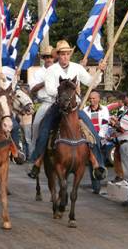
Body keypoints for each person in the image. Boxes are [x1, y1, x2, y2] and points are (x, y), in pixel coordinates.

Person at [28, 40, 107, 180]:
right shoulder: (51, 70)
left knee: (92, 131)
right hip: (57, 106)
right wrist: (64, 93)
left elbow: (91, 82)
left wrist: (100, 72)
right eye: (62, 54)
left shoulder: (77, 68)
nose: (64, 56)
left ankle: (97, 165)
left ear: (70, 55)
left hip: (74, 108)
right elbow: (50, 89)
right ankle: (37, 161)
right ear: (58, 55)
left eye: (67, 54)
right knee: (44, 130)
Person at [29, 45, 55, 156]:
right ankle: (34, 150)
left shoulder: (59, 70)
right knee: (36, 124)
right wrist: (45, 81)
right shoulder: (38, 72)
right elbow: (33, 89)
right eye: (46, 57)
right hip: (46, 102)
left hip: (60, 101)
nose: (49, 59)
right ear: (43, 58)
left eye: (51, 57)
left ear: (54, 58)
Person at [83, 90, 110, 193]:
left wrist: (99, 137)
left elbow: (105, 124)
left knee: (100, 161)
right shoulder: (86, 110)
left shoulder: (104, 109)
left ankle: (99, 180)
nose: (92, 100)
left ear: (98, 99)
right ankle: (96, 187)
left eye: (94, 98)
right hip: (90, 139)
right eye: (90, 98)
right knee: (92, 162)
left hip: (101, 139)